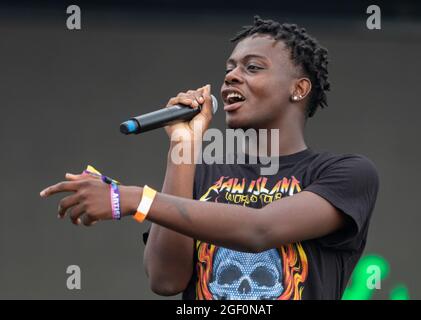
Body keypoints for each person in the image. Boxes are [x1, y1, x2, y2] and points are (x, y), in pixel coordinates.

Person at [40, 16, 379, 300]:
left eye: (253, 67)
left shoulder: (346, 175)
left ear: (299, 89)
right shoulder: (201, 175)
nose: (231, 76)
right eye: (230, 68)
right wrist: (182, 148)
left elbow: (260, 230)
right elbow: (165, 280)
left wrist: (133, 199)